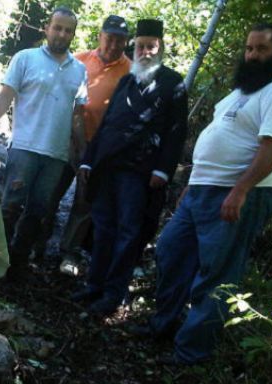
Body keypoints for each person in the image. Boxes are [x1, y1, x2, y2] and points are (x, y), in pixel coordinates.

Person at [139, 24, 272, 366]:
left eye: (261, 50)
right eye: (249, 49)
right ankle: (162, 327)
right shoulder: (239, 93)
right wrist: (191, 186)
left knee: (217, 275)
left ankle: (190, 354)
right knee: (170, 250)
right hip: (201, 191)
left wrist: (241, 190)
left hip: (240, 193)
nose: (253, 56)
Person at [72, 19, 188, 317]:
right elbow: (108, 124)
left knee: (127, 233)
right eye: (140, 46)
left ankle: (113, 293)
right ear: (134, 48)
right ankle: (94, 284)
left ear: (160, 49)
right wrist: (89, 158)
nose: (145, 52)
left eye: (151, 46)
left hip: (139, 172)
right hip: (108, 165)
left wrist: (163, 170)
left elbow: (176, 133)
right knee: (102, 226)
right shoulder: (126, 80)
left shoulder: (172, 83)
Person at [0, 7, 88, 279]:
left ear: (73, 34)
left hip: (56, 156)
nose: (62, 34)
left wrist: (82, 153)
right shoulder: (25, 58)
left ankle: (15, 266)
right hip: (25, 147)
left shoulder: (80, 70)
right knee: (11, 205)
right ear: (47, 28)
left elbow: (77, 116)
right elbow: (5, 95)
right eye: (57, 27)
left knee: (38, 212)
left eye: (68, 30)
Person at [36, 15, 132, 272]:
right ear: (100, 35)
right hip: (66, 138)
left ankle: (69, 253)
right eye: (110, 37)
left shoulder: (131, 71)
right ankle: (38, 244)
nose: (113, 44)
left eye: (120, 40)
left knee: (84, 202)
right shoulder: (78, 60)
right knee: (51, 191)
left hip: (100, 148)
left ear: (127, 42)